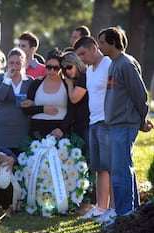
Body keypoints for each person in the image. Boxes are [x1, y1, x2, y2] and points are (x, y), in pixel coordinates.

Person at [98, 27, 152, 219]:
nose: (100, 46)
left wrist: (141, 119)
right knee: (123, 168)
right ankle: (131, 212)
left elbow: (140, 95)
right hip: (116, 125)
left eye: (103, 42)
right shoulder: (114, 63)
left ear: (113, 43)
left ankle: (122, 214)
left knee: (120, 171)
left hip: (124, 125)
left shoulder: (126, 64)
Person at [74, 36, 114, 222]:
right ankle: (100, 207)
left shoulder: (108, 63)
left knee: (109, 166)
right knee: (98, 167)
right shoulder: (89, 71)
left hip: (107, 121)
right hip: (93, 121)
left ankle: (113, 208)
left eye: (83, 53)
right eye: (78, 55)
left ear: (94, 48)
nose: (81, 58)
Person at [22, 48, 73, 139]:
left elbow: (72, 111)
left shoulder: (67, 84)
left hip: (59, 130)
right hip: (37, 130)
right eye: (49, 67)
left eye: (56, 68)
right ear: (45, 66)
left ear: (61, 68)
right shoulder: (36, 83)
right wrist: (42, 109)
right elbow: (26, 109)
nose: (52, 71)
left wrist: (62, 129)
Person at [0, 48, 34, 155]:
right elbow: (0, 97)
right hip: (2, 129)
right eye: (11, 63)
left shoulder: (29, 81)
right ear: (7, 63)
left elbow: (35, 102)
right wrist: (8, 79)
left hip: (22, 129)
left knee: (20, 164)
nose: (14, 66)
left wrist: (31, 103)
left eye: (18, 63)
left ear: (23, 64)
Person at [61, 51, 90, 158]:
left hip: (87, 126)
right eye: (63, 69)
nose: (67, 71)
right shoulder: (75, 80)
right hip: (77, 126)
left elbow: (74, 98)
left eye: (69, 67)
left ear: (77, 63)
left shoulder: (84, 77)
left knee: (88, 160)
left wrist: (69, 84)